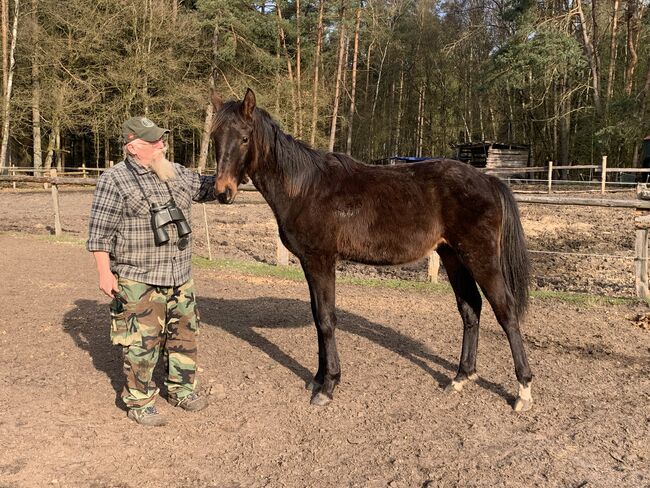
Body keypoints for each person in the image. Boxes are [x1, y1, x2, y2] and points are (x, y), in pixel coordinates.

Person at [87, 116, 218, 426]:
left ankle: (182, 390)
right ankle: (140, 401)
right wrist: (104, 273)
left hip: (180, 276)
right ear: (133, 147)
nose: (162, 145)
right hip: (138, 277)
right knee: (140, 343)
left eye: (161, 140)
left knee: (184, 337)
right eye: (154, 142)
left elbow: (211, 187)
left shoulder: (176, 173)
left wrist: (236, 167)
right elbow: (99, 234)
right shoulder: (114, 180)